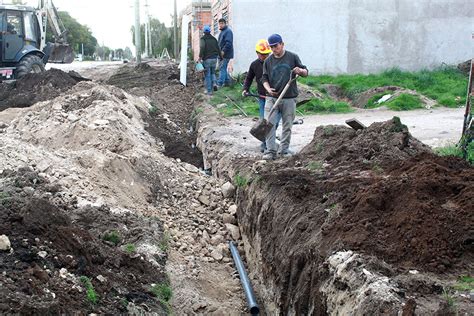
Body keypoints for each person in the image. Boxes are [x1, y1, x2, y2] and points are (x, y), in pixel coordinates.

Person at [261, 34, 308, 160]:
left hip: (288, 97)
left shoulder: (292, 57)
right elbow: (264, 78)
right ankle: (270, 151)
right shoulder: (268, 61)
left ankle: (283, 150)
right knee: (269, 124)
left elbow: (305, 72)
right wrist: (268, 89)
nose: (273, 49)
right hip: (272, 98)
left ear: (282, 44)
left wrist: (300, 71)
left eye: (275, 46)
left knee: (287, 125)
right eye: (271, 47)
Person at [242, 39, 281, 152]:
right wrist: (245, 89)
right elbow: (249, 78)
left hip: (276, 97)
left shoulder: (275, 62)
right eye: (262, 54)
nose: (265, 56)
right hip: (263, 98)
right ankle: (265, 144)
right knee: (264, 122)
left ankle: (269, 141)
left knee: (275, 122)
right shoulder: (254, 65)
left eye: (266, 54)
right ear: (257, 53)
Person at [199, 25, 220, 95]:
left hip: (207, 59)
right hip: (214, 58)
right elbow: (218, 48)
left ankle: (209, 91)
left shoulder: (203, 39)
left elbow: (202, 47)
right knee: (213, 73)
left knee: (207, 74)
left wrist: (200, 57)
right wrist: (221, 57)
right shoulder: (214, 39)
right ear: (210, 31)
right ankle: (214, 84)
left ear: (204, 32)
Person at [217, 18, 233, 87]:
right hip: (221, 54)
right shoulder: (222, 32)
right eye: (219, 23)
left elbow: (228, 43)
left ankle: (219, 84)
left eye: (221, 23)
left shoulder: (228, 31)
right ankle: (227, 82)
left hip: (225, 54)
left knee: (222, 68)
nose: (220, 25)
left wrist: (223, 51)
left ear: (225, 23)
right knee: (223, 67)